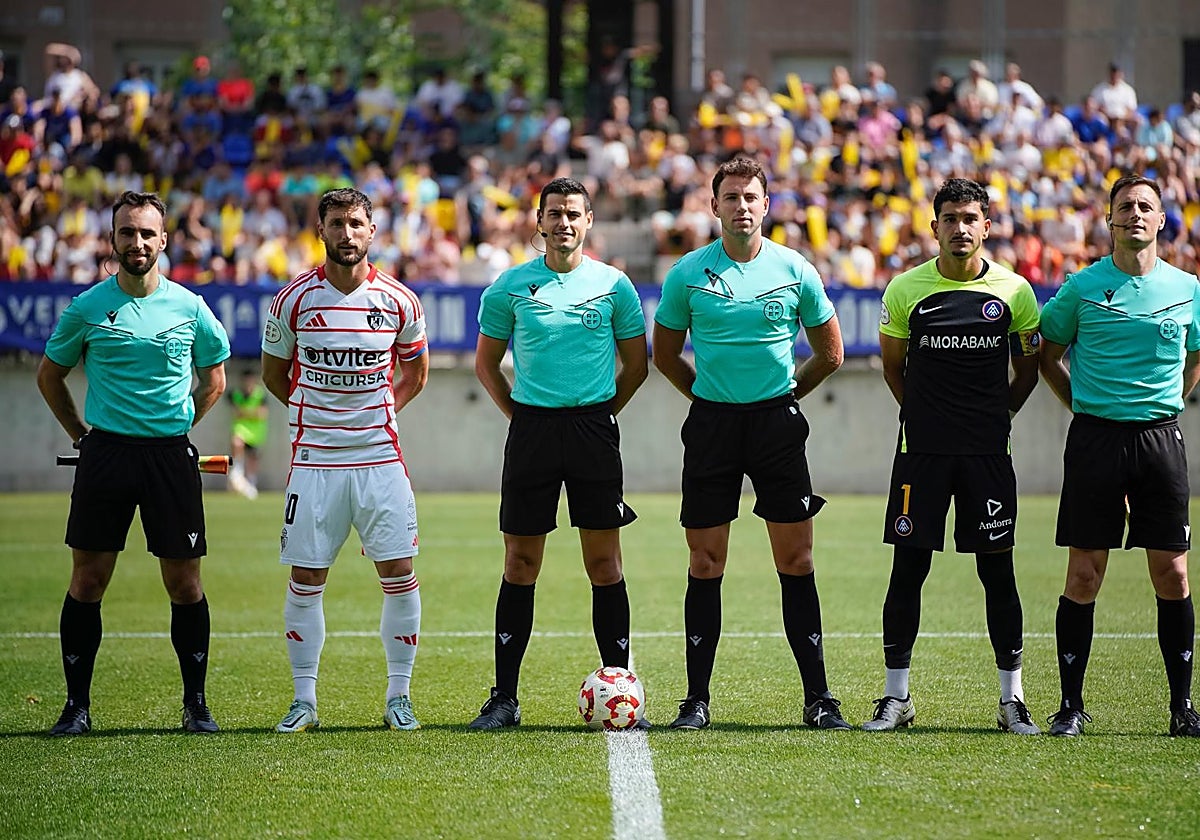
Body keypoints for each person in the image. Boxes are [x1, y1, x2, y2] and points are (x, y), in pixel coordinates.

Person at [652, 157, 849, 731]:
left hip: (776, 426)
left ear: (767, 205)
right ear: (714, 206)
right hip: (712, 426)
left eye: (751, 197)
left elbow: (830, 353)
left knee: (796, 558)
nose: (741, 205)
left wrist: (785, 398)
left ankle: (819, 697)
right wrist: (707, 398)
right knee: (705, 561)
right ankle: (696, 700)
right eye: (731, 197)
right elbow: (664, 355)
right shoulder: (688, 273)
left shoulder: (795, 269)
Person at [35, 190, 231, 735]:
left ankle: (196, 706)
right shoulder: (88, 307)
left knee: (184, 584)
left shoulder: (190, 306)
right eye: (127, 233)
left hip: (169, 456)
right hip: (106, 455)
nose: (137, 242)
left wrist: (180, 423)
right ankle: (77, 708)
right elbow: (49, 376)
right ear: (114, 240)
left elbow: (214, 375)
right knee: (88, 579)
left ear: (163, 241)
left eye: (147, 233)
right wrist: (81, 435)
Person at [468, 177, 648, 730]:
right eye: (554, 214)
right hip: (532, 434)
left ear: (589, 220)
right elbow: (486, 365)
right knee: (520, 564)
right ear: (539, 221)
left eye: (573, 213)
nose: (564, 222)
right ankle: (504, 699)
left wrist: (599, 414)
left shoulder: (615, 286)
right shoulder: (509, 287)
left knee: (604, 564)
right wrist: (522, 417)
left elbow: (636, 366)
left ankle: (617, 683)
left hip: (594, 429)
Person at [864, 178, 1042, 734]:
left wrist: (995, 417)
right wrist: (924, 415)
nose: (960, 228)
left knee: (998, 573)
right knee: (907, 569)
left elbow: (1029, 369)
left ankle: (1011, 701)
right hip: (921, 455)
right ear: (934, 225)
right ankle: (897, 698)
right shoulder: (905, 290)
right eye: (950, 218)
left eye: (971, 218)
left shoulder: (1015, 293)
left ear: (987, 226)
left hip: (988, 453)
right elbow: (894, 367)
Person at [261, 188, 429, 733]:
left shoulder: (400, 301)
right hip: (314, 463)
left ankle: (398, 698)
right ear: (321, 230)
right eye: (337, 223)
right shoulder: (292, 302)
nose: (347, 233)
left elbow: (415, 373)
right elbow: (272, 375)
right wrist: (319, 414)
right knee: (307, 576)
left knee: (399, 572)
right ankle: (303, 701)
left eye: (357, 223)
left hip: (380, 460)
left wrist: (380, 413)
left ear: (372, 231)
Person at [1039, 174, 1200, 738]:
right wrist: (1081, 405)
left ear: (1161, 221)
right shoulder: (1082, 288)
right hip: (1096, 441)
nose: (1134, 214)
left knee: (1173, 575)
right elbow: (1047, 355)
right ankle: (1070, 706)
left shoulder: (1188, 288)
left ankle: (1182, 709)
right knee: (1084, 575)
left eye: (1145, 207)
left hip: (1160, 441)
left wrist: (1174, 399)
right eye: (1124, 207)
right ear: (1109, 221)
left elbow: (1197, 352)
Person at [227, 368, 268, 499]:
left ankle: (251, 483)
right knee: (236, 442)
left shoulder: (260, 394)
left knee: (253, 459)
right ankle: (236, 472)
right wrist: (252, 413)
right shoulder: (236, 394)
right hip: (241, 429)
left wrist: (243, 412)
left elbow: (262, 414)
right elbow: (235, 411)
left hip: (256, 433)